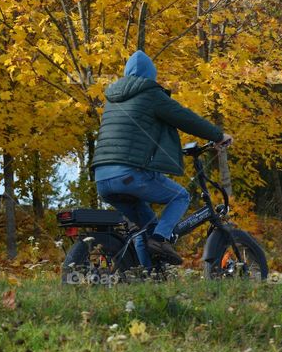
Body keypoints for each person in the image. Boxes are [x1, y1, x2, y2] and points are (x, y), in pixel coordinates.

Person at [92, 50, 231, 266]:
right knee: (180, 197)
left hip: (102, 178)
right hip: (129, 173)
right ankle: (160, 239)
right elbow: (185, 118)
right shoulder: (150, 93)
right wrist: (218, 136)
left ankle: (148, 276)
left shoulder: (112, 100)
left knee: (145, 227)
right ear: (151, 75)